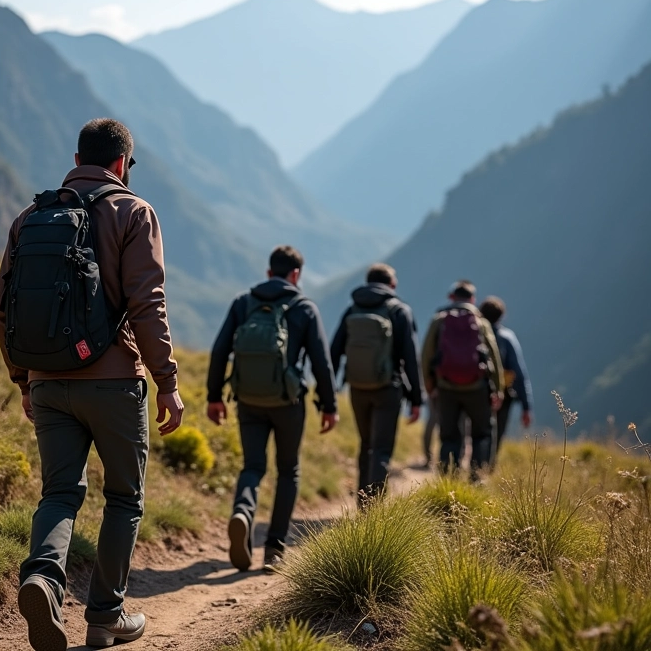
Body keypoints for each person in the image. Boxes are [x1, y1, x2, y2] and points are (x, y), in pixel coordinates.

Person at [0, 118, 184, 651]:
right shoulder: (134, 212)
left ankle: (44, 580)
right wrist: (166, 380)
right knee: (124, 497)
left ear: (78, 157)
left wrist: (25, 382)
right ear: (122, 163)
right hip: (115, 384)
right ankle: (104, 617)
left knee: (59, 492)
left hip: (48, 384)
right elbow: (147, 302)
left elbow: (1, 307)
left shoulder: (32, 215)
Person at [206, 245, 338, 572]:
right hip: (288, 402)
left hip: (248, 399)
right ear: (296, 275)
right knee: (288, 470)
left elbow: (220, 350)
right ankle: (275, 549)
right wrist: (328, 405)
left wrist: (214, 396)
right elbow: (321, 362)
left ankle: (243, 512)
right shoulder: (305, 308)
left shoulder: (243, 302)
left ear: (268, 272)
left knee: (252, 466)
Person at [330, 263, 424, 499]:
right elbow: (410, 357)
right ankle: (373, 513)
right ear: (392, 284)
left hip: (358, 387)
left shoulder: (352, 309)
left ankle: (362, 503)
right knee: (381, 450)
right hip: (387, 389)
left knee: (366, 445)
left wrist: (331, 388)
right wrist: (416, 398)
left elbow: (334, 350)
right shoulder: (399, 310)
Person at [421, 280, 504, 477]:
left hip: (446, 387)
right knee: (481, 434)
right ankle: (476, 479)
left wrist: (430, 385)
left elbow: (426, 355)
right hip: (477, 388)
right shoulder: (481, 322)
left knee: (449, 436)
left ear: (452, 297)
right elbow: (494, 357)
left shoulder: (439, 319)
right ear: (473, 299)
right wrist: (498, 390)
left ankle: (449, 479)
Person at [479, 296, 533, 458]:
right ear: (501, 315)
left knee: (477, 430)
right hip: (503, 393)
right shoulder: (507, 337)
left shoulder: (474, 332)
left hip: (476, 389)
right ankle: (487, 467)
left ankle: (470, 464)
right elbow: (519, 371)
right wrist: (526, 406)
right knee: (497, 431)